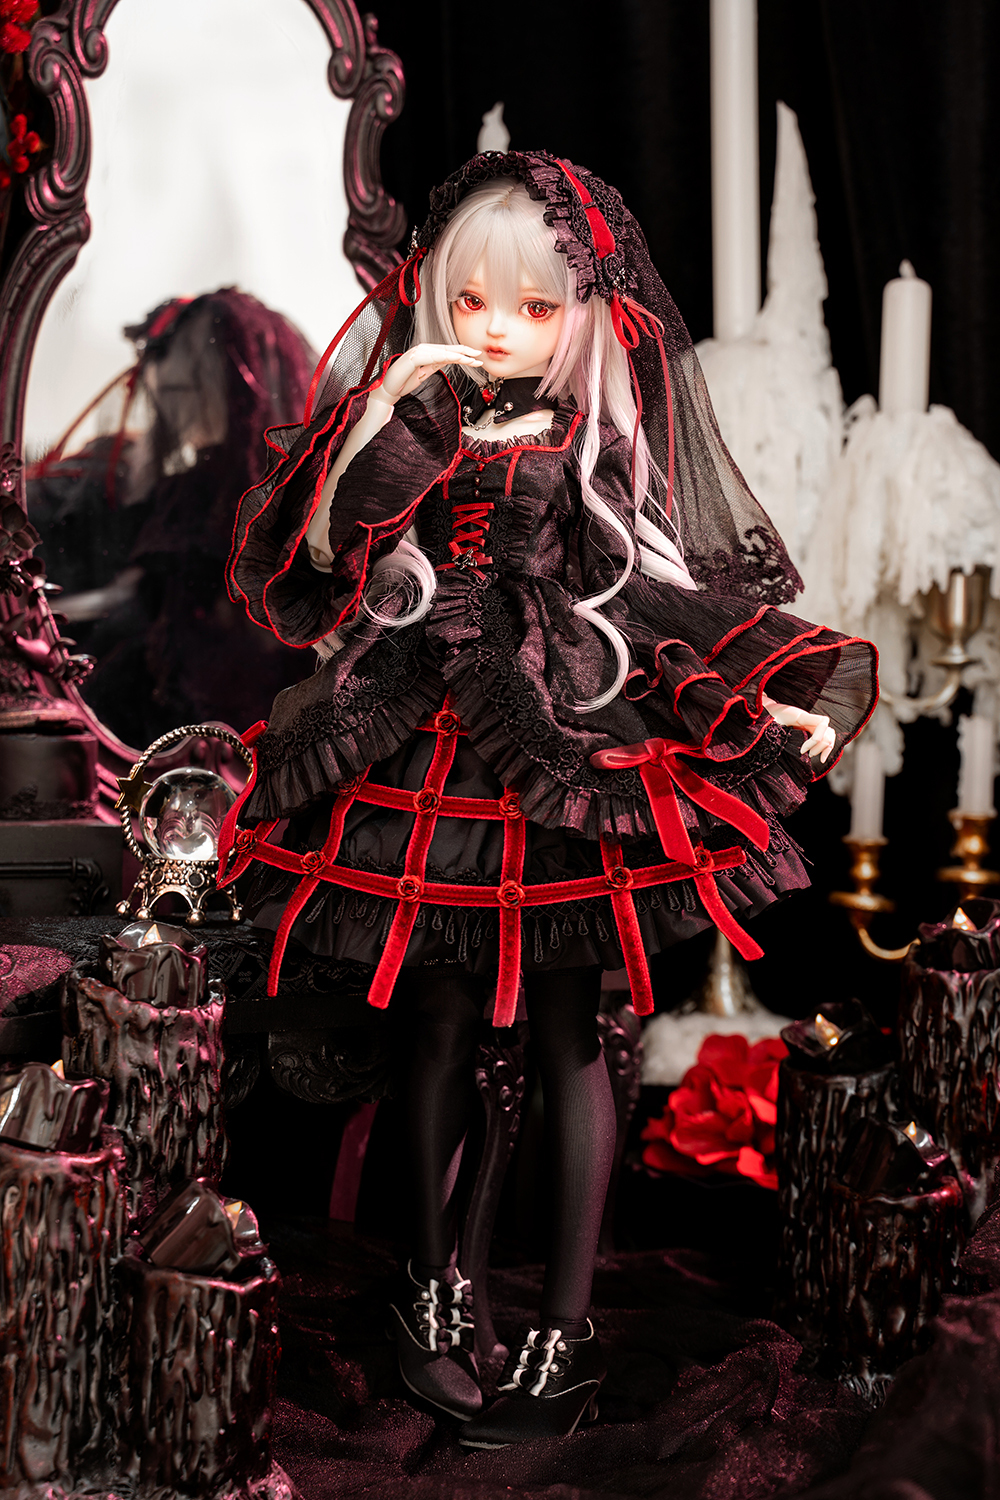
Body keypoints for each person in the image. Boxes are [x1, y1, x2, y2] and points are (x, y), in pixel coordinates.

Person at [222, 151, 877, 1448]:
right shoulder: (417, 418)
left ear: (583, 311)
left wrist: (759, 693)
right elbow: (328, 554)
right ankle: (432, 1297)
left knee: (573, 1028)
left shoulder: (589, 437)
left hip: (556, 736)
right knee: (434, 1023)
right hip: (417, 737)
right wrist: (394, 405)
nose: (498, 329)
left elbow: (661, 590)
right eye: (473, 302)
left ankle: (563, 1329)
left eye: (533, 306)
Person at [29, 288, 317, 745]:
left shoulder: (275, 485)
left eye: (190, 390)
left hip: (244, 688)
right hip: (176, 684)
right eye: (169, 395)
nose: (174, 410)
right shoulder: (179, 485)